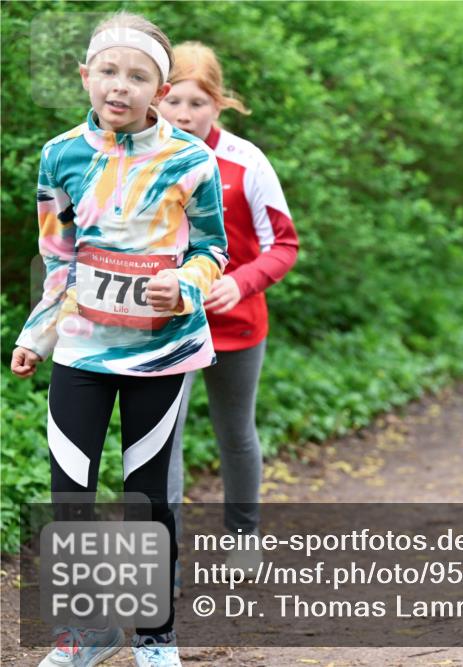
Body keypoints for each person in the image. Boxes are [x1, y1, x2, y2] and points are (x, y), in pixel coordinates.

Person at [9, 11, 227, 667]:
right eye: (108, 71)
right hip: (81, 345)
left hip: (161, 352)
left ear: (161, 92)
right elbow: (58, 257)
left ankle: (157, 637)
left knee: (148, 494)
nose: (120, 86)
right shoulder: (59, 155)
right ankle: (90, 632)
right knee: (69, 489)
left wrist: (184, 285)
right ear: (86, 76)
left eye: (139, 76)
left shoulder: (193, 159)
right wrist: (38, 333)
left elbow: (213, 250)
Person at [159, 42, 298, 585]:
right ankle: (163, 550)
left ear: (218, 104)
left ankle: (243, 538)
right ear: (158, 99)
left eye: (197, 103)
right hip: (167, 323)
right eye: (174, 102)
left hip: (237, 324)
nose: (183, 115)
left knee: (235, 432)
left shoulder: (246, 161)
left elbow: (283, 245)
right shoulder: (141, 157)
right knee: (163, 439)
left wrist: (239, 283)